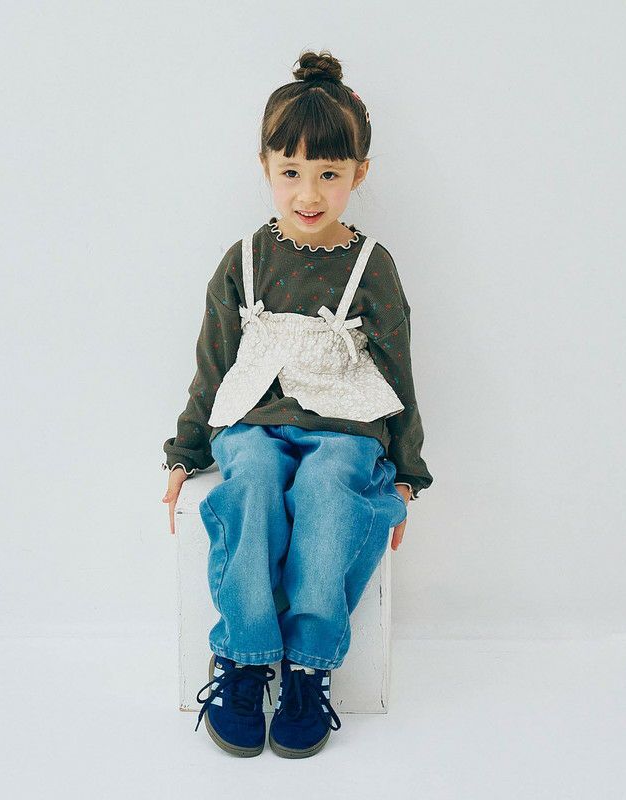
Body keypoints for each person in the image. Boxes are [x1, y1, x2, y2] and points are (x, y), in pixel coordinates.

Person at [161, 49, 433, 759]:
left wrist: (408, 470)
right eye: (291, 172)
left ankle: (309, 666)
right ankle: (245, 655)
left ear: (358, 174)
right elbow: (214, 363)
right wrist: (186, 450)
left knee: (328, 488)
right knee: (251, 479)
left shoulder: (371, 265)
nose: (308, 193)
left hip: (345, 422)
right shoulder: (245, 259)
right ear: (266, 167)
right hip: (254, 417)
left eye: (329, 174)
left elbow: (398, 368)